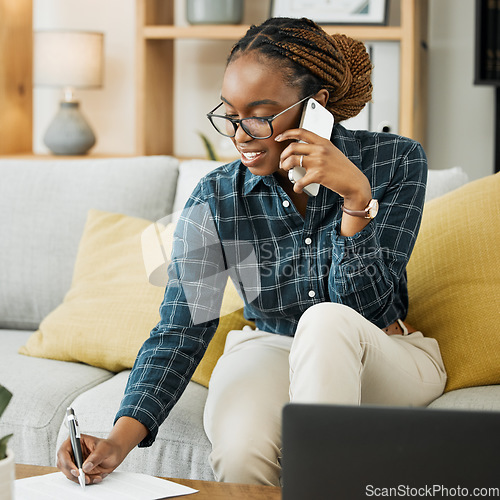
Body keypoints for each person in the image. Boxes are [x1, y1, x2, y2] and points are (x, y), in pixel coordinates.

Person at [57, 17, 447, 487]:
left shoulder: (396, 161)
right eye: (231, 114)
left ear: (316, 107)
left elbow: (360, 307)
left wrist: (356, 201)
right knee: (242, 452)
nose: (241, 133)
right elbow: (182, 328)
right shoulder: (218, 197)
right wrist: (118, 440)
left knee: (325, 320)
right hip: (270, 346)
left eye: (260, 114)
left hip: (382, 352)